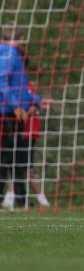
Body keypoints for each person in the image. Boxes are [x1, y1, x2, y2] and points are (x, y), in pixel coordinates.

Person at [0, 25, 42, 210]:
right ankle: (17, 200)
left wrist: (35, 100)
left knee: (13, 158)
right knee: (8, 157)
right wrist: (15, 106)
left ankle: (21, 200)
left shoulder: (13, 53)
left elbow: (20, 86)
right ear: (22, 36)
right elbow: (2, 82)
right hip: (6, 114)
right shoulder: (9, 53)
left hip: (12, 112)